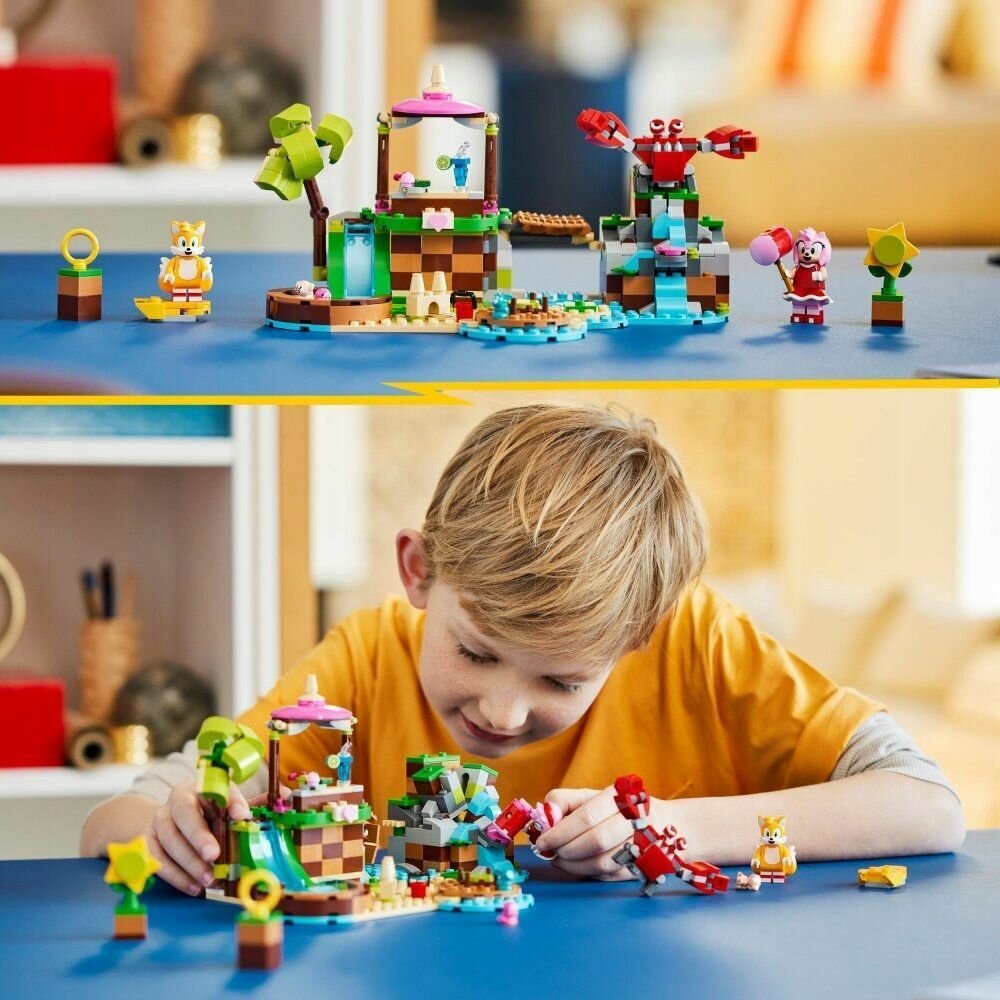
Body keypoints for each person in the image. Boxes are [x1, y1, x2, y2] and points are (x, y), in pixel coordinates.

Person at [80, 404, 964, 896]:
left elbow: (928, 807)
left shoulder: (697, 642)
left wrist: (678, 827)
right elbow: (109, 825)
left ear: (638, 636)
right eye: (474, 653)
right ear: (419, 571)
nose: (502, 714)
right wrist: (176, 829)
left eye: (562, 679)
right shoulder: (365, 661)